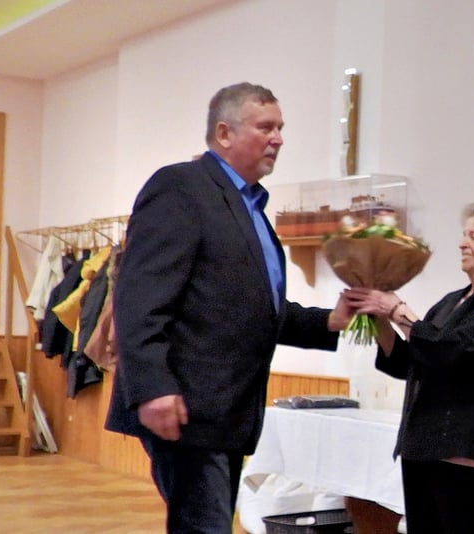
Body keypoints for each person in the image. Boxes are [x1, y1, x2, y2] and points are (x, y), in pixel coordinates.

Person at [105, 82, 349, 533]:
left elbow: (251, 307)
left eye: (280, 128)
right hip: (187, 405)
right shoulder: (182, 187)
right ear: (224, 133)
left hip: (228, 411)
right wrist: (152, 387)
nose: (278, 138)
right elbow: (140, 296)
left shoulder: (251, 207)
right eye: (265, 127)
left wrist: (328, 321)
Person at [342, 202, 474, 534]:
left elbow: (453, 352)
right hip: (426, 444)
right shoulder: (451, 301)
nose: (462, 243)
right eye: (464, 235)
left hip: (469, 448)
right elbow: (411, 361)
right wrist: (379, 318)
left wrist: (398, 310)